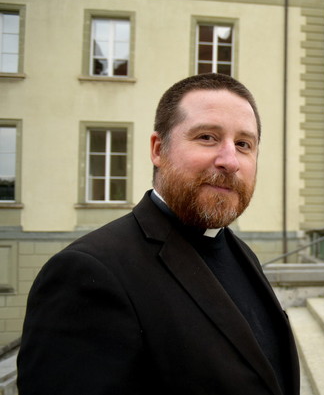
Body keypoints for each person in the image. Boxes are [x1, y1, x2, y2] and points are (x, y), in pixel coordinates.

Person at [17, 73, 299, 395]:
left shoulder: (241, 253)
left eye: (243, 144)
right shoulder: (87, 272)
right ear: (158, 149)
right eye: (207, 137)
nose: (230, 160)